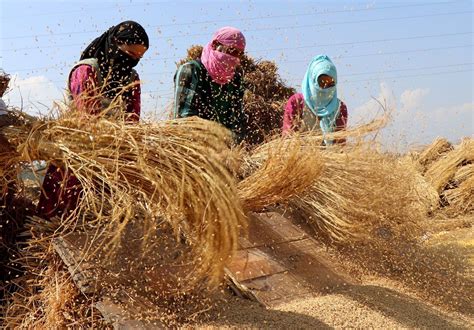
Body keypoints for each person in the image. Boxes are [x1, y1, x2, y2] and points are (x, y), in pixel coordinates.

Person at [37, 21, 149, 220]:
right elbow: (87, 117)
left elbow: (133, 120)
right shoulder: (86, 70)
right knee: (60, 215)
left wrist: (128, 152)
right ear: (115, 43)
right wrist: (103, 145)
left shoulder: (132, 78)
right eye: (130, 54)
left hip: (112, 157)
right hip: (77, 153)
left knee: (103, 219)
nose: (132, 62)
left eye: (139, 58)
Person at [173, 27, 248, 143]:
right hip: (192, 147)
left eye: (239, 54)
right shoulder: (191, 71)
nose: (235, 58)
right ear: (215, 45)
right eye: (231, 51)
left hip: (224, 150)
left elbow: (237, 120)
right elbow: (184, 119)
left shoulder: (235, 80)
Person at [282, 55, 348, 145]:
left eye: (330, 83)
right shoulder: (297, 102)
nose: (326, 87)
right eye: (322, 81)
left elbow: (339, 144)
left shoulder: (339, 108)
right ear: (313, 80)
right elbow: (288, 139)